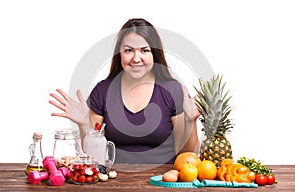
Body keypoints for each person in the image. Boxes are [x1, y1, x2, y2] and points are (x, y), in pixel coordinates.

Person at [49, 18, 200, 164]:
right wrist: (84, 124)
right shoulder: (103, 91)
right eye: (128, 50)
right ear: (119, 54)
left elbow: (187, 157)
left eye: (144, 50)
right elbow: (93, 157)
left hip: (163, 182)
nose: (136, 58)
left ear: (154, 54)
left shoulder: (173, 91)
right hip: (113, 182)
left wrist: (190, 121)